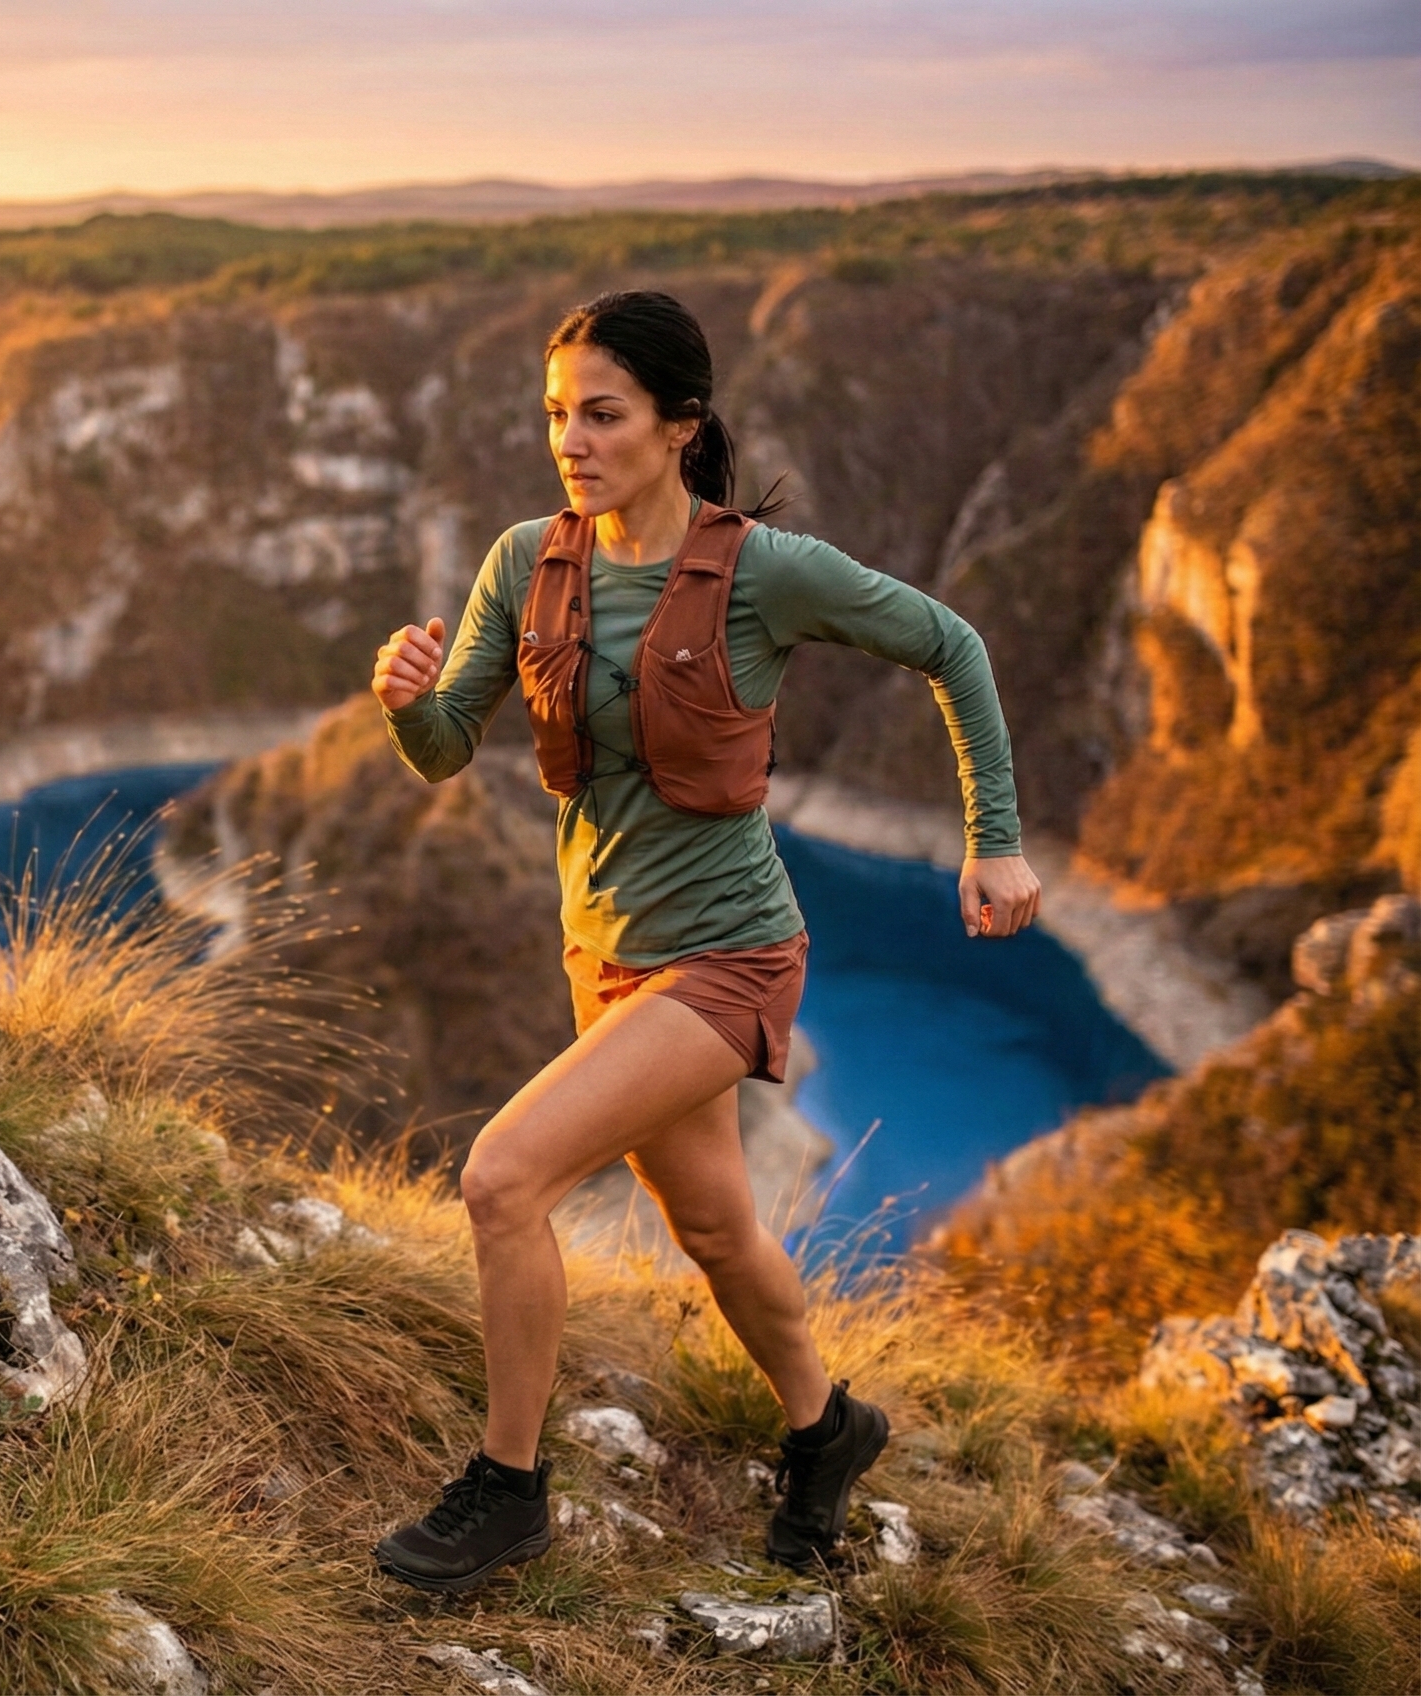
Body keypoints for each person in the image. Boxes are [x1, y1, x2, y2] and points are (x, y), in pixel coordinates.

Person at [366, 289, 1041, 1592]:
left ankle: (507, 1491)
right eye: (557, 414)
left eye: (602, 414)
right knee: (721, 1233)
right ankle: (828, 1432)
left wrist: (994, 839)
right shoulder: (526, 561)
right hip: (603, 958)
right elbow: (449, 750)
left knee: (503, 1179)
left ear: (681, 426)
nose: (572, 439)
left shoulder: (762, 572)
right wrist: (404, 704)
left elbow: (949, 644)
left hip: (729, 955)